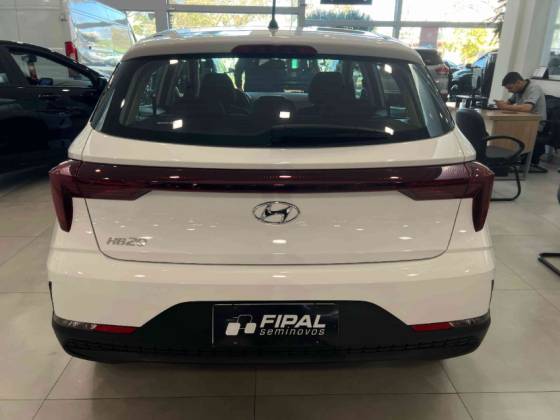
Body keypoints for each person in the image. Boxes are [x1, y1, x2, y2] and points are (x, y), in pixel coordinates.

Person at [495, 72, 548, 165]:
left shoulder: (534, 88)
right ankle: (503, 158)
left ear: (518, 82)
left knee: (506, 130)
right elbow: (508, 103)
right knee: (500, 127)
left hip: (535, 124)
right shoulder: (518, 90)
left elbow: (527, 108)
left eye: (510, 88)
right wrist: (500, 104)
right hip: (523, 121)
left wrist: (505, 107)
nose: (509, 91)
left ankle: (508, 158)